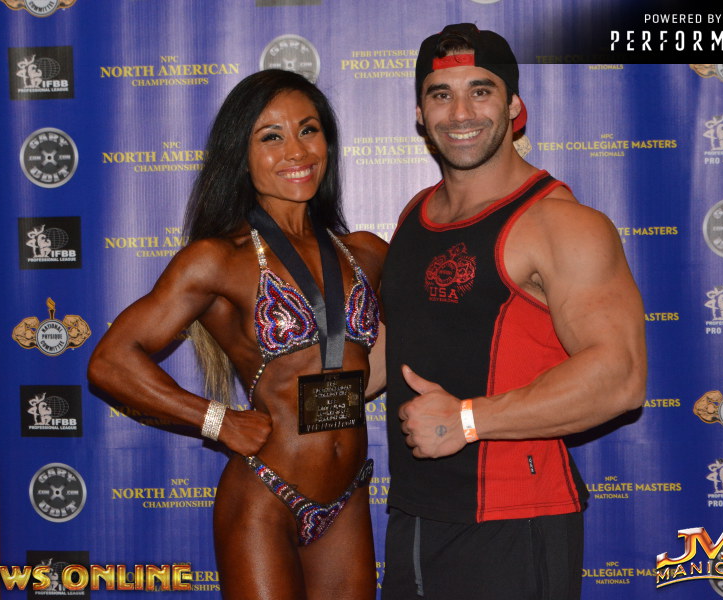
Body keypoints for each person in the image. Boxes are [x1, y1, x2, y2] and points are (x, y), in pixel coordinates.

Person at [88, 69, 387, 600]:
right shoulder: (218, 259)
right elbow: (111, 362)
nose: (296, 150)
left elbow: (407, 342)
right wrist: (216, 420)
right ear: (241, 156)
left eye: (309, 130)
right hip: (265, 497)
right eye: (271, 137)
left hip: (347, 497)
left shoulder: (366, 252)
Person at [379, 24, 647, 599]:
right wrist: (299, 401)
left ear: (514, 108)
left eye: (480, 91)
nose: (460, 112)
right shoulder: (415, 214)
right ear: (420, 114)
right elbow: (391, 346)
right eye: (441, 94)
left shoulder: (561, 223)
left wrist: (467, 420)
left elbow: (620, 377)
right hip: (414, 514)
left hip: (514, 523)